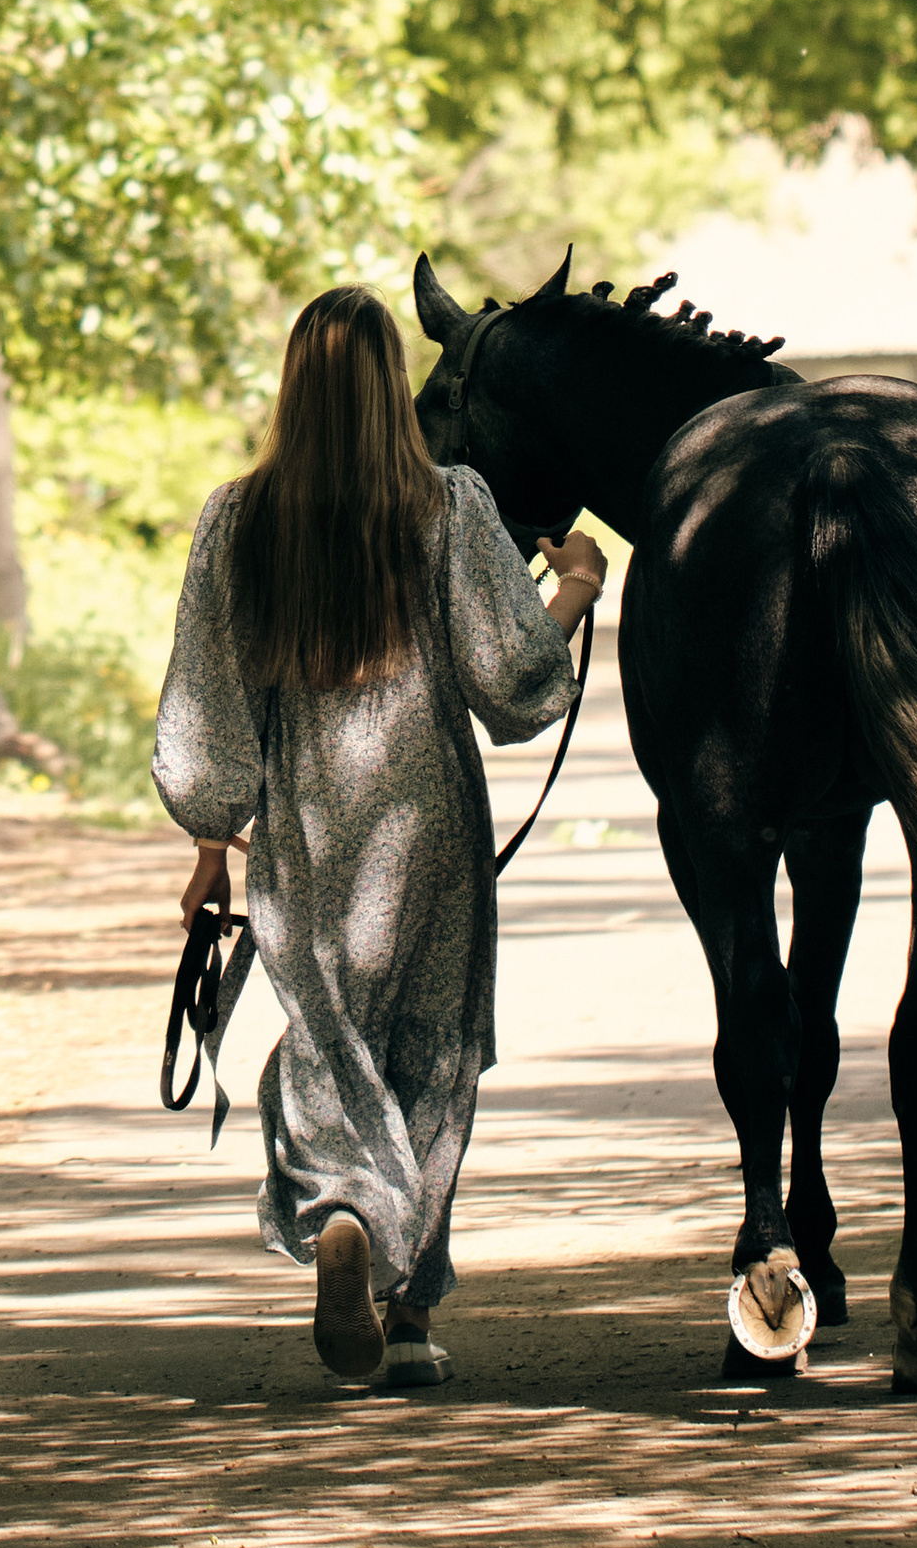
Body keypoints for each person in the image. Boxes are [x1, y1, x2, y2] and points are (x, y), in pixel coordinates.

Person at [153, 280, 606, 1387]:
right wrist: (580, 588)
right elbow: (507, 678)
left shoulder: (234, 518)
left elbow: (208, 702)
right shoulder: (450, 505)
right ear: (387, 388)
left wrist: (212, 847)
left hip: (304, 829)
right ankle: (405, 1319)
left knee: (327, 1046)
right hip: (430, 825)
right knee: (432, 1051)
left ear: (294, 390)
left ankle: (344, 1213)